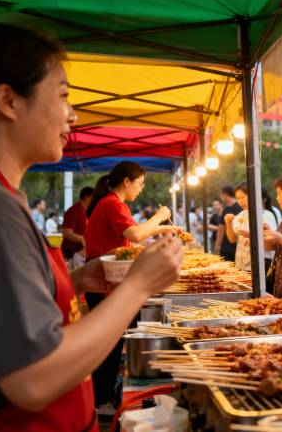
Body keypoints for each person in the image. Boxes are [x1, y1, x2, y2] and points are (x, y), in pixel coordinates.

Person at [0, 23, 183, 431]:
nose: (73, 115)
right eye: (63, 96)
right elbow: (33, 377)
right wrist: (138, 285)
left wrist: (78, 279)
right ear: (8, 100)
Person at [83, 161, 176, 414]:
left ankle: (101, 396)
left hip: (107, 281)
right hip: (103, 283)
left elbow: (132, 235)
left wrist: (165, 227)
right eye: (141, 183)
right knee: (108, 344)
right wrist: (159, 216)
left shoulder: (112, 203)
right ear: (127, 181)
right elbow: (135, 234)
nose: (142, 188)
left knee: (110, 343)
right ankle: (99, 401)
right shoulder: (113, 203)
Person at [224, 183, 277, 276]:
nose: (240, 201)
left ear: (254, 195)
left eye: (243, 197)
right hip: (241, 264)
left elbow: (271, 243)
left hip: (260, 263)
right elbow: (232, 239)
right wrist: (228, 223)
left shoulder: (266, 215)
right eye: (238, 198)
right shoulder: (242, 214)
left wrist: (252, 235)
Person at [61, 187, 94, 261]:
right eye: (93, 197)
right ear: (86, 197)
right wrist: (84, 239)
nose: (95, 200)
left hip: (81, 251)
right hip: (71, 251)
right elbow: (67, 233)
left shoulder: (87, 211)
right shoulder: (74, 211)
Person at [215, 186, 243, 260]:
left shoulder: (240, 208)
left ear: (225, 194)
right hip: (228, 246)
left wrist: (217, 245)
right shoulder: (226, 209)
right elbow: (221, 228)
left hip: (235, 246)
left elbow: (221, 228)